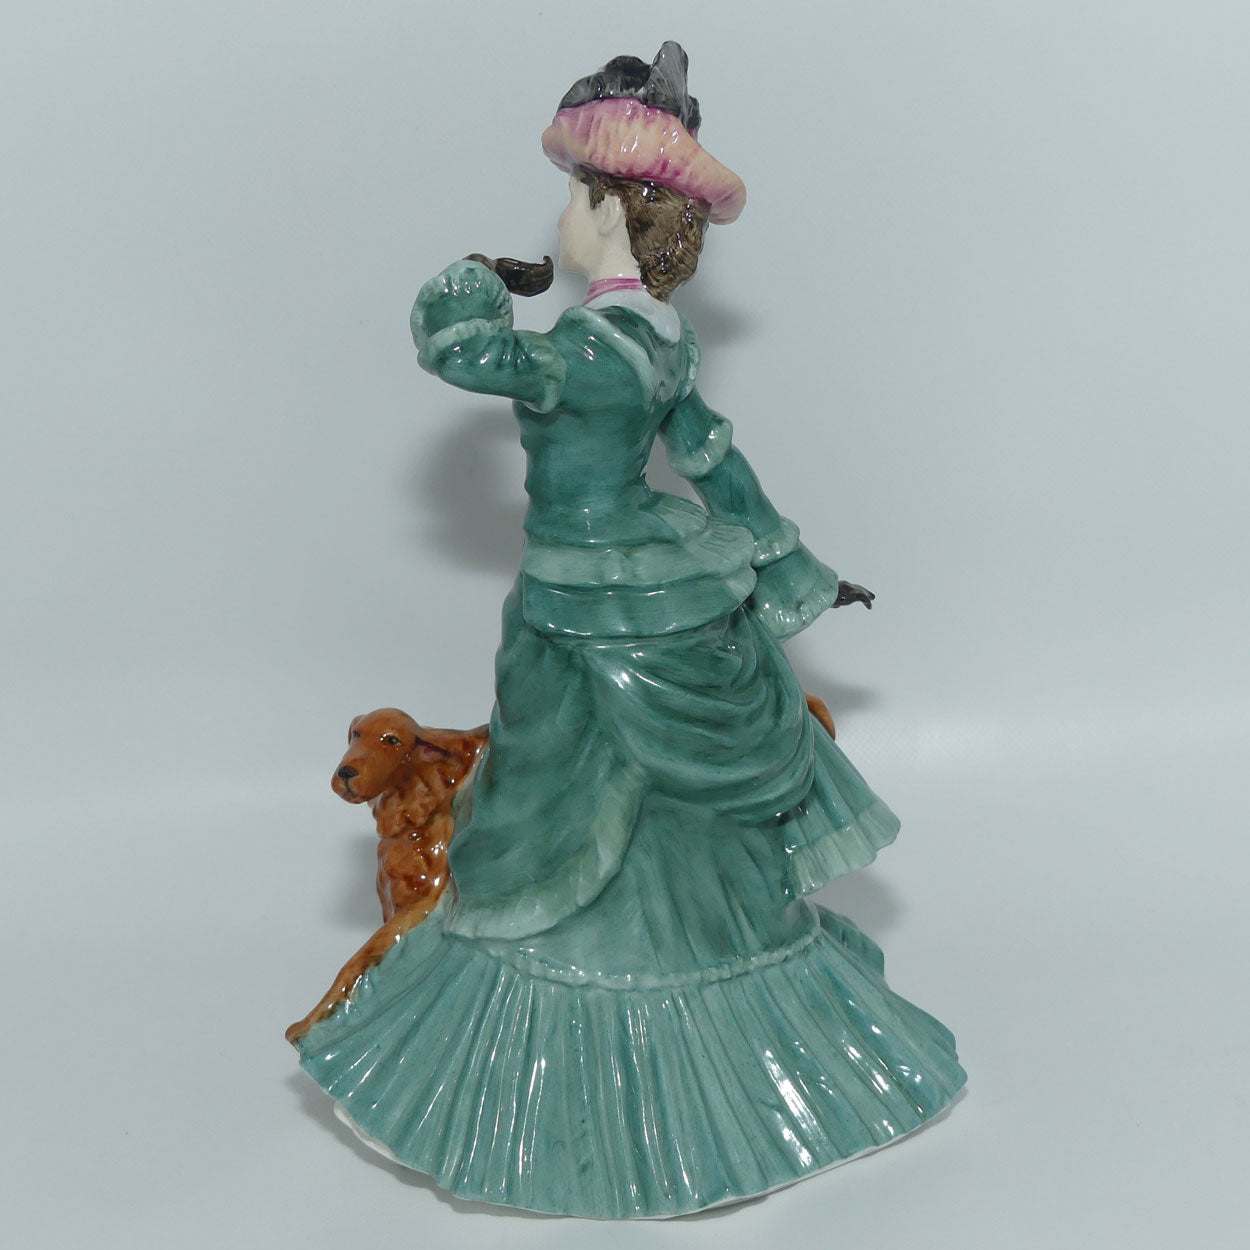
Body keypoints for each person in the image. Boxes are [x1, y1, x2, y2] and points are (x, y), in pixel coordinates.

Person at [292, 42, 965, 1219]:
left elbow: (457, 351)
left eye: (572, 195)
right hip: (657, 581)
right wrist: (785, 563)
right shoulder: (663, 338)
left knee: (544, 807)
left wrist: (467, 278)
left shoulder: (577, 356)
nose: (560, 217)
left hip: (581, 596)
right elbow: (710, 458)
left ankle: (606, 1068)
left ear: (610, 211)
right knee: (644, 799)